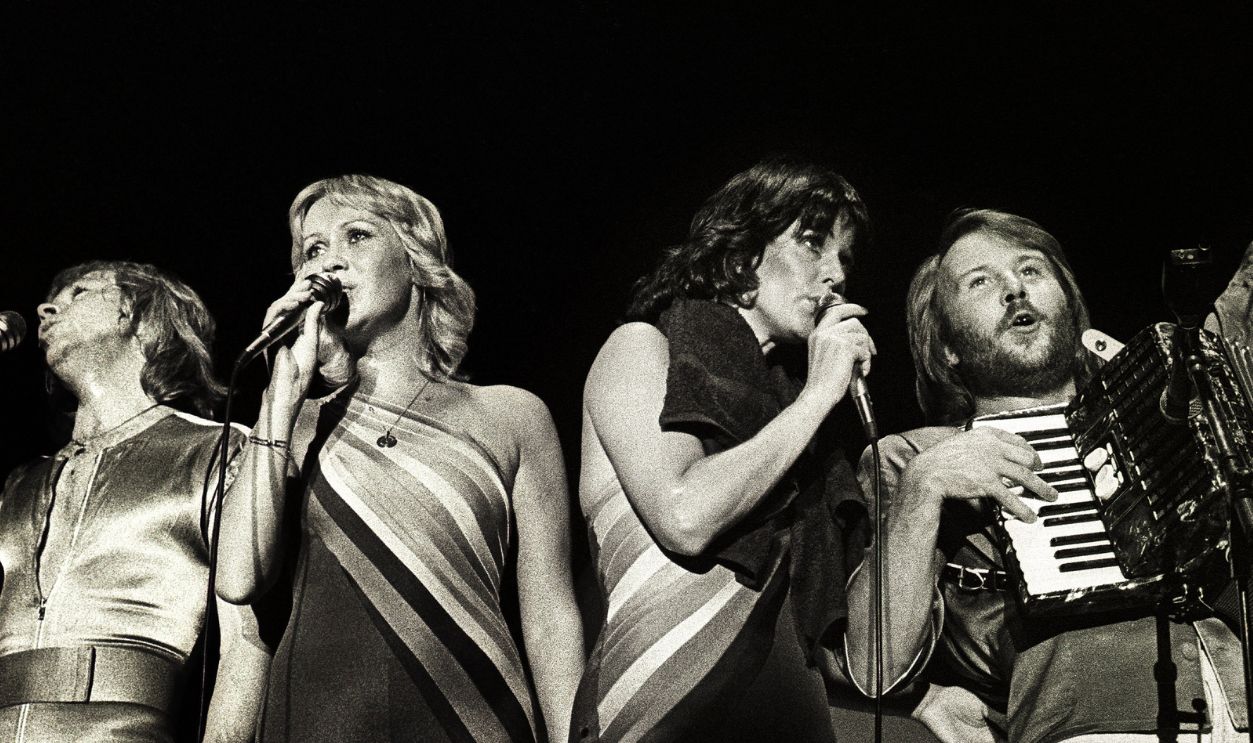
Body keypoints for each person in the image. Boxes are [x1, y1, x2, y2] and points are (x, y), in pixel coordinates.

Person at [845, 209, 1248, 742]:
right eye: (980, 282)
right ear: (946, 347)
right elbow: (876, 668)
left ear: (1071, 307)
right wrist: (924, 488)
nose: (1015, 289)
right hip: (1093, 721)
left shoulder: (1169, 404)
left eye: (1031, 270)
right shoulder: (911, 458)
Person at [215, 174, 584, 743]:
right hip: (319, 719)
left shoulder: (511, 415)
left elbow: (550, 613)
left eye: (356, 237)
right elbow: (239, 580)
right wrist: (283, 390)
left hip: (473, 716)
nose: (328, 264)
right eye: (313, 250)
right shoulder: (291, 424)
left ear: (416, 260)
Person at [571, 156, 875, 742]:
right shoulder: (640, 349)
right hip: (662, 712)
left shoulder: (806, 435)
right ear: (740, 255)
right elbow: (685, 516)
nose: (835, 274)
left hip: (788, 719)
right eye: (813, 244)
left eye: (845, 258)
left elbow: (832, 635)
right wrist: (816, 398)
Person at [0, 260, 268, 742]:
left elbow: (247, 646)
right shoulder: (18, 484)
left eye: (81, 292)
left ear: (141, 319)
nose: (43, 309)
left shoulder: (218, 450)